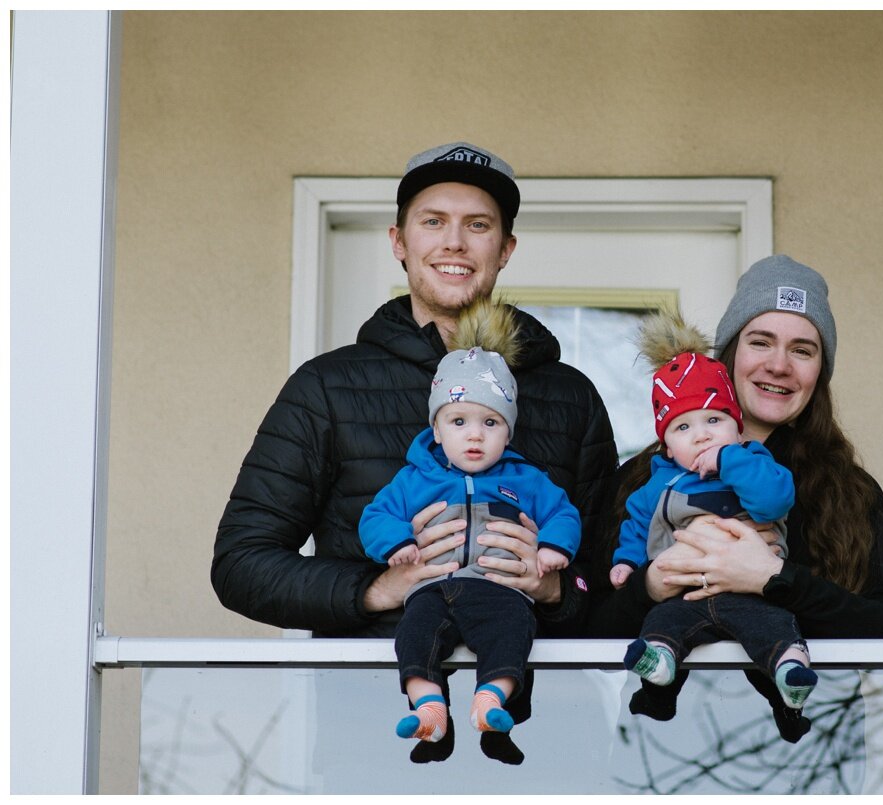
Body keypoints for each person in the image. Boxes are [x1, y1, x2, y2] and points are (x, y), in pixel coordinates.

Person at [212, 141, 617, 764]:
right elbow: (240, 563)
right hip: (372, 733)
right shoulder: (327, 388)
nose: (454, 243)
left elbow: (613, 576)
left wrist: (558, 590)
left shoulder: (570, 397)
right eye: (433, 222)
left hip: (544, 738)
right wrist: (379, 587)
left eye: (477, 226)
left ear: (504, 249)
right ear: (399, 241)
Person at [585, 254, 883, 744]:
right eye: (760, 342)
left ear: (820, 371)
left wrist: (773, 580)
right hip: (657, 752)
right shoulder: (643, 480)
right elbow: (587, 630)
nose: (778, 365)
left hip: (813, 752)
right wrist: (651, 585)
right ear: (729, 354)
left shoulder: (848, 493)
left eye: (802, 349)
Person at [359, 299, 581, 765]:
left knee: (513, 633)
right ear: (437, 430)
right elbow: (375, 517)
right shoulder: (415, 478)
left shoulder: (526, 479)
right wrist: (397, 543)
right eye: (458, 421)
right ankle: (429, 707)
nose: (475, 435)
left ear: (508, 432)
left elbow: (564, 513)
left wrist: (554, 548)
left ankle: (492, 700)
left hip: (498, 590)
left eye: (491, 423)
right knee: (414, 638)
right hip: (430, 589)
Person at [611, 311, 819, 724]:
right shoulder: (656, 484)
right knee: (663, 622)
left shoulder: (753, 461)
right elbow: (636, 525)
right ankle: (660, 670)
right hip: (685, 597)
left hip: (750, 596)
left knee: (774, 627)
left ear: (737, 429)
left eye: (714, 420)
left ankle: (790, 673)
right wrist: (629, 565)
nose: (702, 434)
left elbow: (774, 501)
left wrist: (729, 460)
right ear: (667, 447)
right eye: (683, 427)